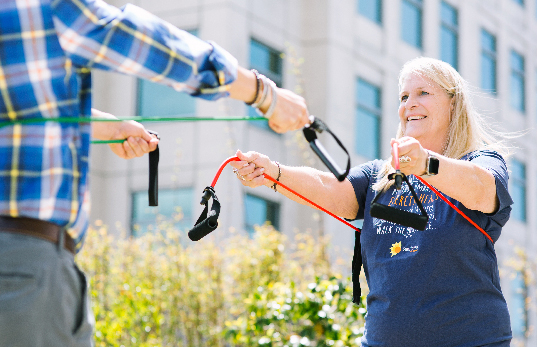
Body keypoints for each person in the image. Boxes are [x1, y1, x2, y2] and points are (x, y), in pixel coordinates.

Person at [0, 0, 309, 346]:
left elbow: (20, 103)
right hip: (22, 266)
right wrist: (263, 93)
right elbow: (137, 38)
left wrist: (108, 128)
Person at [230, 57, 513, 347]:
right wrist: (273, 172)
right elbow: (330, 187)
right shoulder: (380, 176)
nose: (409, 104)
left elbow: (482, 188)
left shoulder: (481, 162)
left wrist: (425, 163)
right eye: (404, 96)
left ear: (453, 104)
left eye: (423, 93)